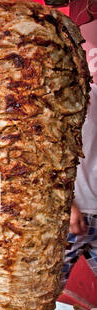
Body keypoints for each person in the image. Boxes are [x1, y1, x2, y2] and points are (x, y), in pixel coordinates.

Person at [61, 18, 97, 289]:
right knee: (44, 287)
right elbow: (52, 152)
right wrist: (68, 204)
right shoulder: (80, 99)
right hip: (77, 211)